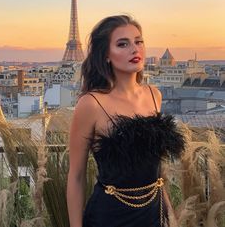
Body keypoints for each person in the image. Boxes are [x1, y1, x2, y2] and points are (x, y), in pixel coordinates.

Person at [67, 15, 185, 227]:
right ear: (106, 55)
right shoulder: (91, 104)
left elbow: (155, 169)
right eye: (123, 44)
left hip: (153, 213)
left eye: (138, 41)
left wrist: (169, 214)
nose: (134, 49)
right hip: (109, 216)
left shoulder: (154, 95)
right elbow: (76, 176)